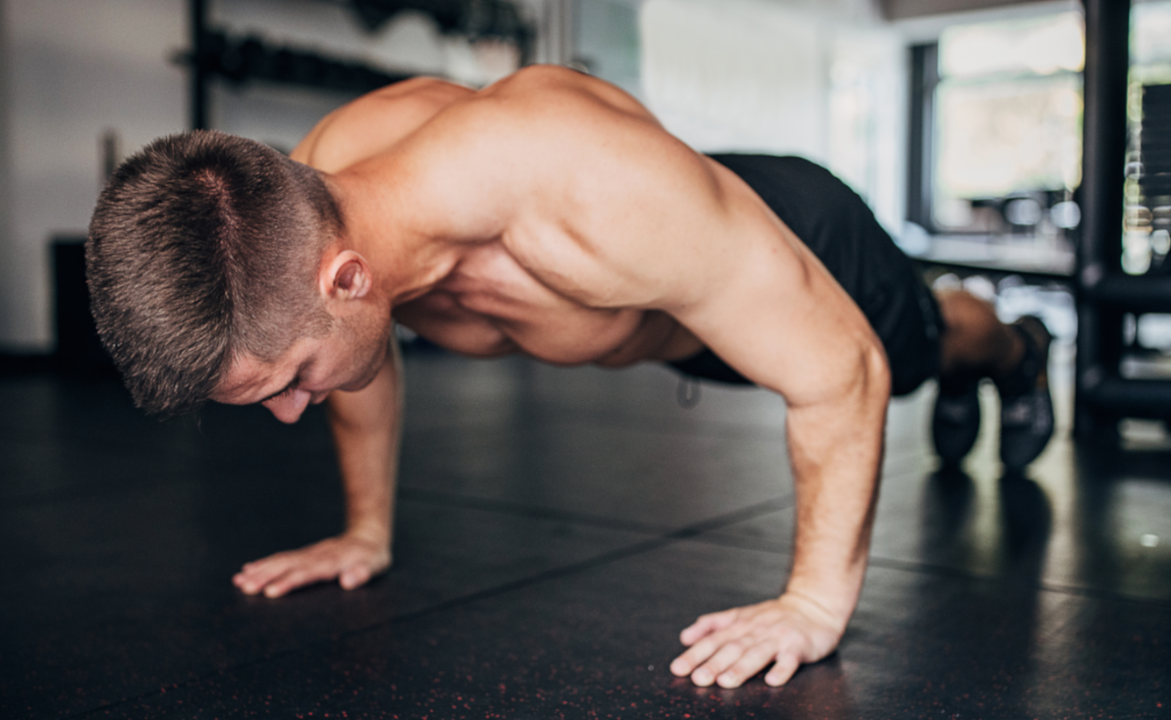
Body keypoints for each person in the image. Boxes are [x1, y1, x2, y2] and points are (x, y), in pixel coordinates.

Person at [86, 65, 1053, 689]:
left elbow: (844, 370)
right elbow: (349, 357)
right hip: (677, 311)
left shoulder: (584, 195)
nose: (294, 410)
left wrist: (810, 606)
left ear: (348, 278)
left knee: (927, 346)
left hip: (786, 233)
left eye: (290, 381)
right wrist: (365, 530)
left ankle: (1014, 346)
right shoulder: (311, 197)